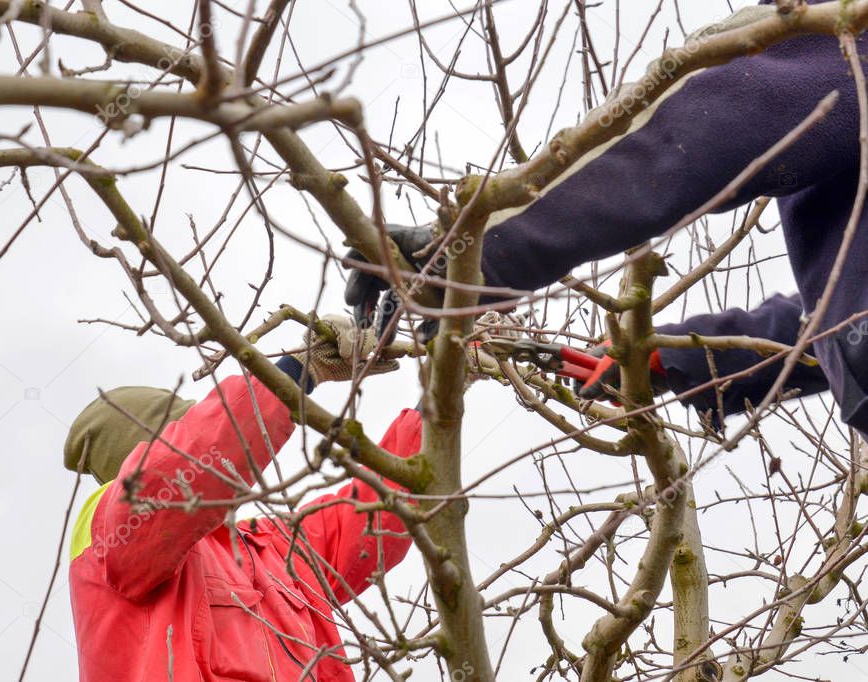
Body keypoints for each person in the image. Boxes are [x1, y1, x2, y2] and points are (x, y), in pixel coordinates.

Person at [345, 0, 863, 432]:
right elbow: (833, 326)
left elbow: (716, 125)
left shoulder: (845, 29)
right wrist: (674, 359)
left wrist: (486, 248)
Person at [63, 316, 419, 681]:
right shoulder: (112, 533)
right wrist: (298, 369)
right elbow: (198, 460)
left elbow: (372, 513)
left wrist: (439, 401)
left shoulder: (264, 547)